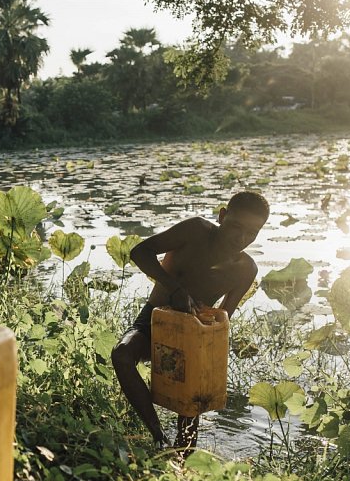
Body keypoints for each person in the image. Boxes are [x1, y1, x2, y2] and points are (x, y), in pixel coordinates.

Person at [111, 191, 270, 449]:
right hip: (155, 319)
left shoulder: (245, 268)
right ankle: (158, 436)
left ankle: (182, 456)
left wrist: (207, 323)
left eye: (251, 233)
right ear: (222, 216)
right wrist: (175, 290)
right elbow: (140, 251)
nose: (241, 239)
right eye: (236, 227)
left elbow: (224, 317)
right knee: (122, 354)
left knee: (190, 405)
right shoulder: (195, 230)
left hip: (196, 336)